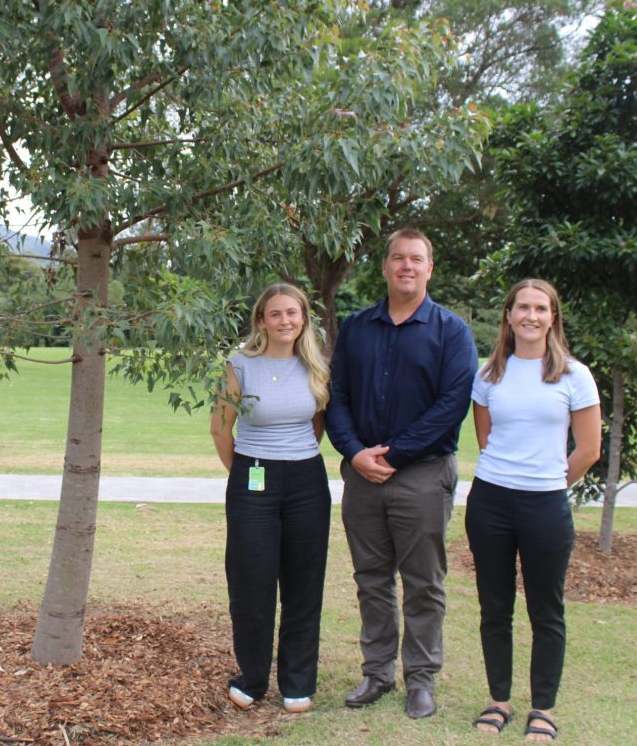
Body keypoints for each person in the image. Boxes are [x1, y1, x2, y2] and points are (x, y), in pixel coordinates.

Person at [326, 227, 478, 719]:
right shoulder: (356, 327)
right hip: (362, 474)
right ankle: (376, 673)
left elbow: (452, 404)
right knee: (371, 578)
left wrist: (394, 454)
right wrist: (353, 453)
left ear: (429, 268)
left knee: (423, 581)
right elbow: (338, 396)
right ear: (385, 266)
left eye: (416, 259)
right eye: (397, 258)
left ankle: (421, 679)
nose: (406, 266)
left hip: (422, 475)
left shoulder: (451, 331)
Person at [466, 279, 601, 742]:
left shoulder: (574, 376)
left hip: (545, 504)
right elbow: (486, 439)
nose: (531, 315)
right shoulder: (488, 375)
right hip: (490, 502)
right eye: (522, 307)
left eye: (540, 308)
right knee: (494, 607)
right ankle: (498, 700)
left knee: (546, 610)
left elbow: (588, 449)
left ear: (552, 317)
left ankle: (542, 707)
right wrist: (512, 479)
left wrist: (547, 482)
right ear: (508, 315)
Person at [210, 283, 331, 713]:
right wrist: (246, 476)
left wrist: (291, 462)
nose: (285, 321)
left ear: (303, 319)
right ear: (262, 319)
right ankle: (253, 678)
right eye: (276, 314)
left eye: (293, 313)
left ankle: (297, 683)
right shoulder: (239, 364)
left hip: (307, 481)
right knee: (252, 582)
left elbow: (316, 424)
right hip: (253, 478)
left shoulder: (315, 365)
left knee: (303, 583)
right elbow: (221, 429)